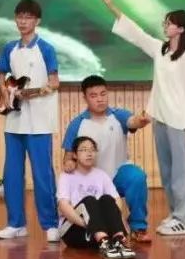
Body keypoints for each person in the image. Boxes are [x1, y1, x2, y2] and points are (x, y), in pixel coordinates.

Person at [101, 0, 185, 236]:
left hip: (179, 120)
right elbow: (137, 34)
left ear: (181, 29)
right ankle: (175, 214)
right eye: (165, 22)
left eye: (170, 23)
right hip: (160, 118)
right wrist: (113, 7)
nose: (165, 26)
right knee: (167, 170)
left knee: (182, 172)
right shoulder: (161, 49)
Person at [0, 0, 60, 242]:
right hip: (14, 120)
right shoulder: (9, 48)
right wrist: (5, 91)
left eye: (28, 17)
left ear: (37, 21)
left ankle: (50, 224)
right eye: (19, 17)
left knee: (42, 175)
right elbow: (1, 73)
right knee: (12, 174)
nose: (23, 21)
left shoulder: (46, 48)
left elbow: (54, 81)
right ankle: (16, 223)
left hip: (40, 121)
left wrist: (37, 91)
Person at [62, 74, 153, 242]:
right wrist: (69, 164)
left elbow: (133, 122)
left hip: (118, 174)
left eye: (103, 94)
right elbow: (68, 157)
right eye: (94, 96)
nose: (100, 99)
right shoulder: (77, 124)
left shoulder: (118, 115)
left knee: (137, 177)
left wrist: (141, 121)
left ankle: (138, 227)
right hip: (92, 183)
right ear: (85, 98)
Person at [56, 136, 136, 259]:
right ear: (75, 155)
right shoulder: (66, 176)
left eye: (92, 150)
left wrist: (111, 224)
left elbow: (116, 200)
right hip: (75, 231)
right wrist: (91, 225)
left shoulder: (101, 175)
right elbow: (63, 206)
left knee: (107, 199)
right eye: (84, 150)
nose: (89, 153)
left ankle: (119, 241)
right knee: (90, 200)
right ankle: (104, 242)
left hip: (101, 229)